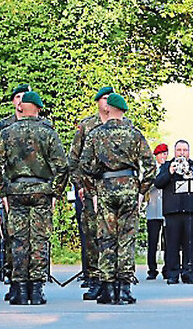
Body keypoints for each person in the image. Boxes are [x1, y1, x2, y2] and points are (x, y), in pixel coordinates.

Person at [0, 91, 69, 305]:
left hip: (16, 191)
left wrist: (3, 189)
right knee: (40, 239)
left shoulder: (7, 133)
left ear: (22, 107)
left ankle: (21, 289)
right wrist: (55, 191)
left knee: (18, 240)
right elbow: (62, 166)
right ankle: (37, 289)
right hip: (41, 190)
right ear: (39, 109)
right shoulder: (48, 132)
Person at [80, 93, 156, 304]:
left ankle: (107, 288)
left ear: (108, 109)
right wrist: (142, 190)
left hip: (105, 187)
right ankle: (124, 288)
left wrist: (93, 190)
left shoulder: (96, 134)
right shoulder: (134, 134)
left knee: (106, 237)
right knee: (127, 238)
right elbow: (150, 166)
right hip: (129, 187)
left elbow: (84, 166)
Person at [69, 86, 116, 298]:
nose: (107, 103)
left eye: (110, 99)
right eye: (103, 99)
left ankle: (113, 277)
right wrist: (80, 185)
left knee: (113, 233)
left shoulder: (122, 125)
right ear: (97, 102)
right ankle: (94, 277)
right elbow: (74, 159)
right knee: (91, 234)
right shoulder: (87, 126)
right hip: (90, 189)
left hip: (114, 189)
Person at [0, 83, 30, 300]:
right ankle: (13, 278)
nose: (21, 101)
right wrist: (0, 192)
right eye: (18, 97)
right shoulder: (3, 126)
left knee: (34, 237)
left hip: (34, 189)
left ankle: (33, 280)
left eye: (25, 97)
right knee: (12, 235)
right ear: (13, 101)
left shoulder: (40, 125)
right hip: (10, 187)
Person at [154, 140, 193, 284]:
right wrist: (170, 171)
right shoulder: (167, 166)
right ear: (174, 151)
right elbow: (158, 183)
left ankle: (188, 273)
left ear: (189, 152)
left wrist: (192, 173)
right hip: (172, 211)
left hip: (191, 210)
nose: (182, 153)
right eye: (179, 150)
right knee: (172, 244)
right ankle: (172, 274)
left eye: (185, 150)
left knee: (189, 244)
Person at [145, 143, 168, 280]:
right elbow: (145, 186)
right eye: (161, 154)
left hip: (166, 209)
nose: (163, 156)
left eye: (165, 153)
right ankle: (152, 269)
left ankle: (167, 267)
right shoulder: (150, 170)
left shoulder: (169, 168)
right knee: (152, 241)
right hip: (153, 209)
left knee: (167, 241)